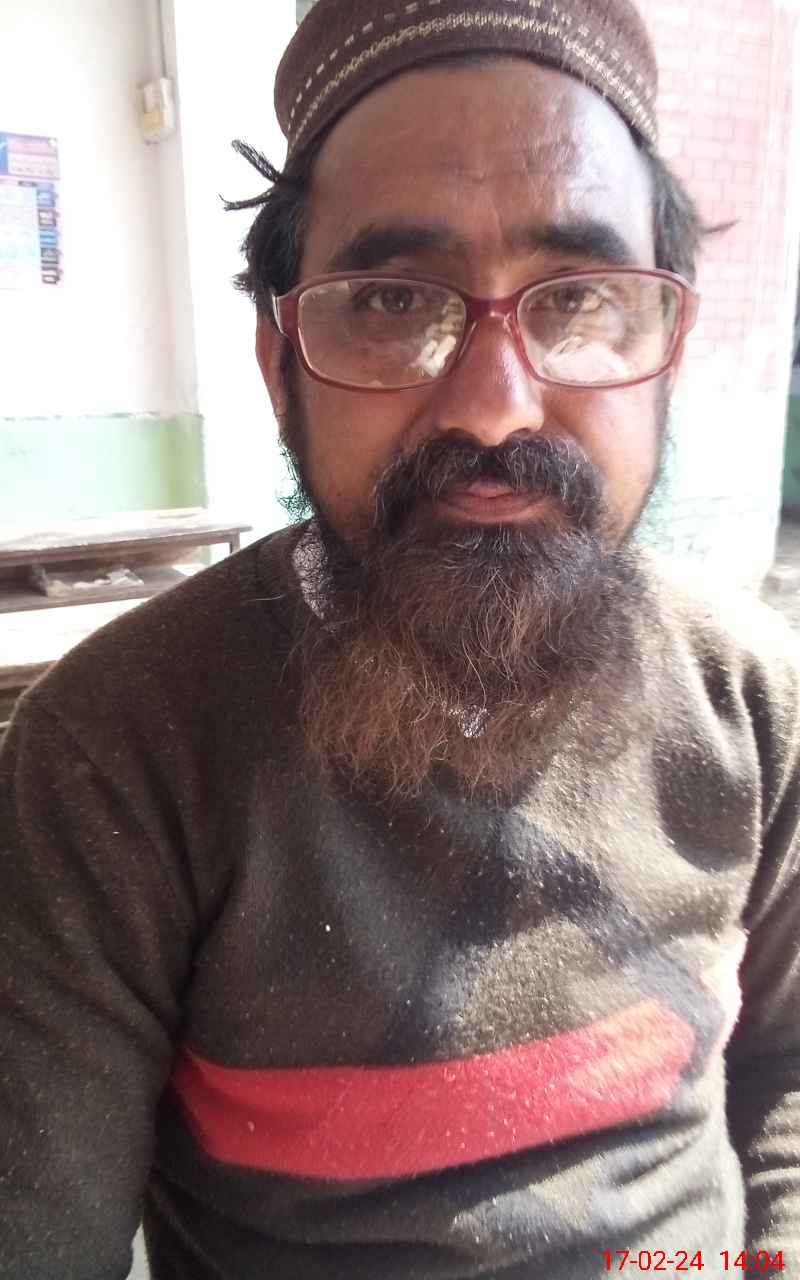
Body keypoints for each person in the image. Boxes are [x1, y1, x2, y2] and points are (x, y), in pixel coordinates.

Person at [1, 0, 798, 1276]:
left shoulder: (754, 703)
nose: (493, 407)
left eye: (578, 298)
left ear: (665, 349)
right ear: (278, 364)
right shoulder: (116, 754)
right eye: (387, 299)